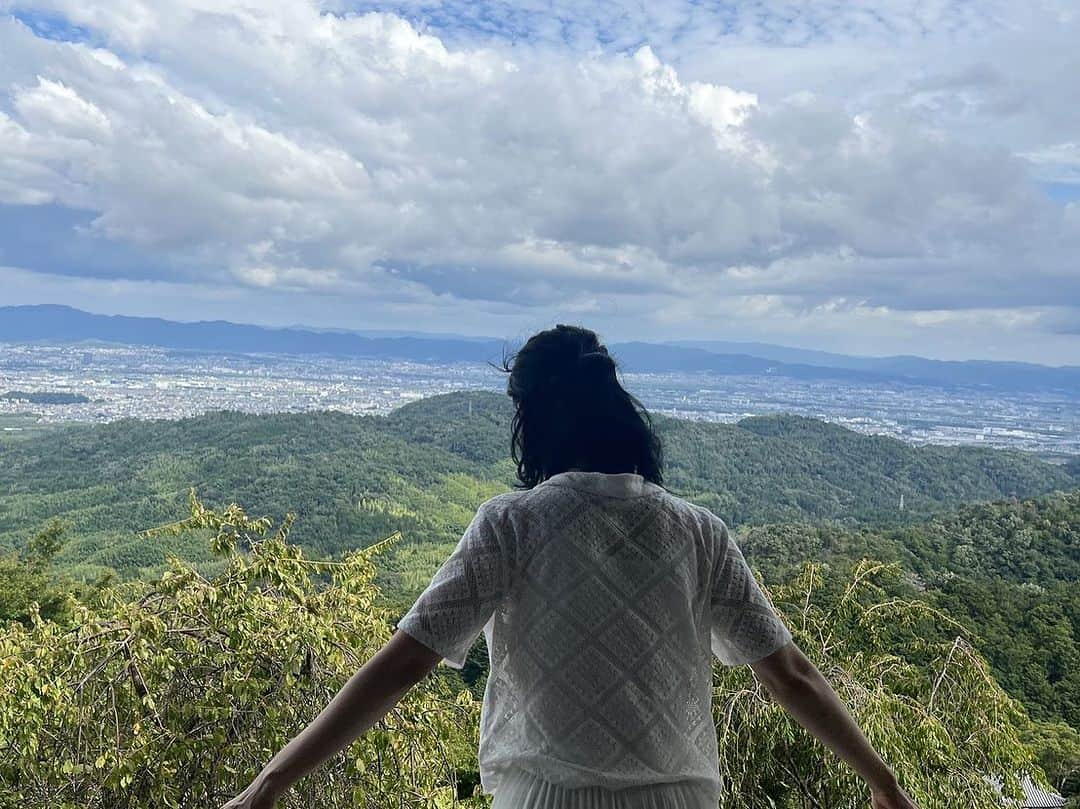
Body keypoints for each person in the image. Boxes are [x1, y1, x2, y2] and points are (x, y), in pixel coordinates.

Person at [222, 324, 920, 809]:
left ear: (531, 418)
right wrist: (883, 780)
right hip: (680, 796)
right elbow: (788, 673)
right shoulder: (698, 532)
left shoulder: (511, 525)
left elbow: (403, 663)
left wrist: (269, 784)